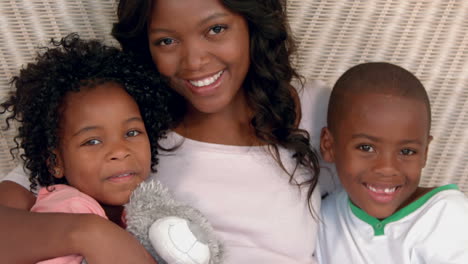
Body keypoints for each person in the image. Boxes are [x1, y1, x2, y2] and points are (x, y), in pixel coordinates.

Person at [0, 1, 331, 263]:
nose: (195, 61)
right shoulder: (128, 123)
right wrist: (91, 233)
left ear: (251, 24)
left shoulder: (314, 110)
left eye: (216, 29)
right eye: (167, 40)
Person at [0, 34, 172, 263]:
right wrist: (92, 233)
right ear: (55, 162)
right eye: (92, 141)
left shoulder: (149, 211)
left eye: (132, 133)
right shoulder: (56, 204)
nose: (120, 151)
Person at [317, 62, 468, 263]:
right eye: (366, 148)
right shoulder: (324, 217)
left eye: (407, 151)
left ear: (425, 152)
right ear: (329, 145)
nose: (387, 168)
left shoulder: (446, 216)